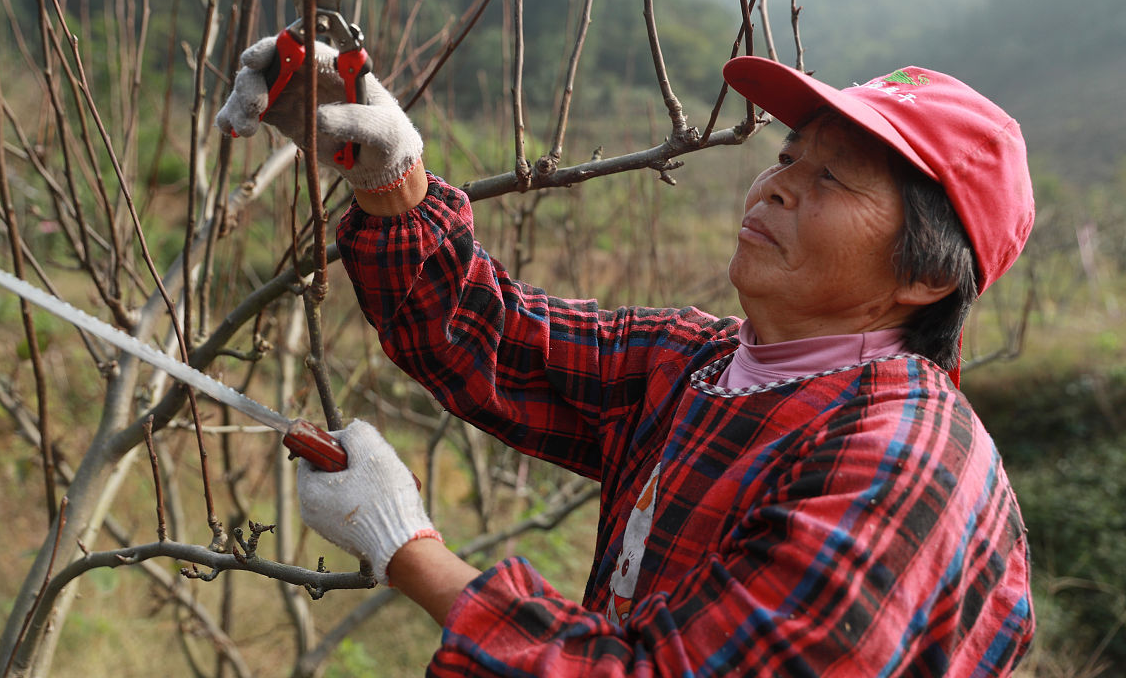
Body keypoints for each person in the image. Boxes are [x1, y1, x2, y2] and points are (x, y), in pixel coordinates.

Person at [216, 37, 1036, 675]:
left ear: (927, 275)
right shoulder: (704, 363)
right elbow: (491, 337)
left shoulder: (898, 459)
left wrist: (408, 549)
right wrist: (389, 171)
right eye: (789, 159)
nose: (777, 185)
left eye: (834, 179)